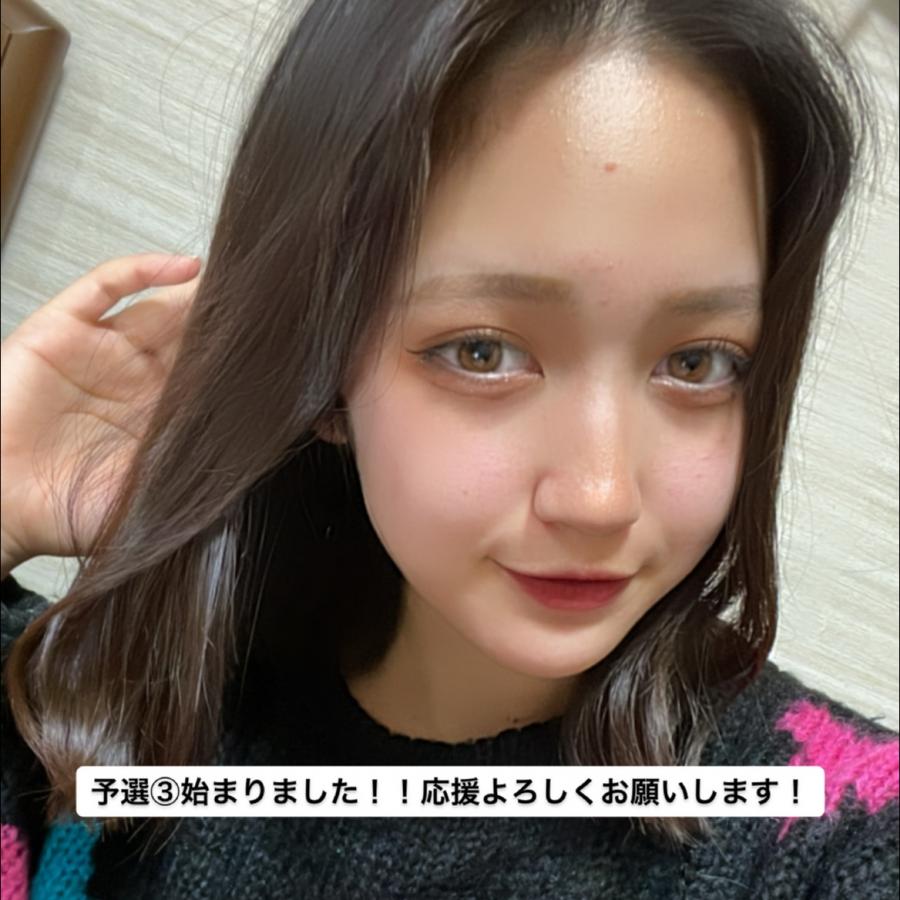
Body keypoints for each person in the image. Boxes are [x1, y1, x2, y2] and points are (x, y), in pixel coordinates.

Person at [1, 0, 898, 897]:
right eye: (482, 351)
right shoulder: (98, 726)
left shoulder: (833, 837)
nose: (600, 498)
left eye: (698, 363)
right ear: (320, 363)